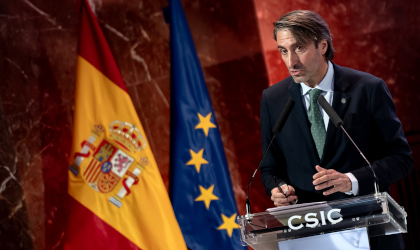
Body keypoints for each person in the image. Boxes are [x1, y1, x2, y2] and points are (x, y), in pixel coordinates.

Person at [260, 10, 413, 250]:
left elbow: (401, 159)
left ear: (322, 45)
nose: (291, 61)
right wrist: (278, 188)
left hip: (371, 233)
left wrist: (350, 181)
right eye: (283, 50)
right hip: (311, 237)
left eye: (298, 48)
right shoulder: (273, 100)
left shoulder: (368, 89)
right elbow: (270, 167)